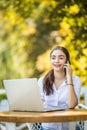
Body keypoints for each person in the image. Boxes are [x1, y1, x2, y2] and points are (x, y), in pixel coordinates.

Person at [38, 46, 82, 130]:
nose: (56, 61)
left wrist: (69, 78)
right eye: (53, 58)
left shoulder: (76, 80)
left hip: (70, 127)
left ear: (67, 61)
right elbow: (38, 104)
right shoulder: (42, 81)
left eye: (61, 58)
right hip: (48, 127)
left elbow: (72, 105)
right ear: (50, 60)